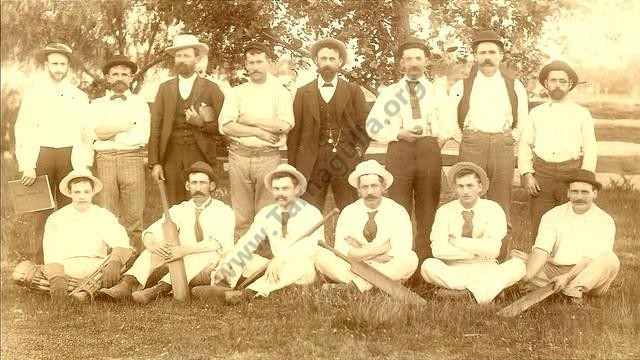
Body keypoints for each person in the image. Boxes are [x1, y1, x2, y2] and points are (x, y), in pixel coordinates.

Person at [365, 37, 456, 267]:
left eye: (418, 58)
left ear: (426, 62)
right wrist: (398, 133)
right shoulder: (390, 93)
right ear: (401, 64)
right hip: (399, 151)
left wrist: (432, 142)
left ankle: (425, 261)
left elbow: (449, 124)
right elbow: (373, 126)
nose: (413, 63)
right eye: (408, 59)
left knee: (428, 208)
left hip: (428, 151)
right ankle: (401, 261)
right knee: (399, 207)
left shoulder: (437, 92)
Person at [99, 161, 235, 304]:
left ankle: (157, 290)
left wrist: (184, 250)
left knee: (200, 256)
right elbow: (154, 229)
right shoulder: (181, 208)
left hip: (211, 262)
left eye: (203, 183)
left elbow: (218, 243)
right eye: (194, 183)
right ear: (187, 186)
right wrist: (151, 244)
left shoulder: (223, 211)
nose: (198, 188)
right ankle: (127, 284)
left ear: (211, 186)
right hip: (180, 254)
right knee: (153, 251)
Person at [449, 30, 529, 259]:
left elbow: (522, 121)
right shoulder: (461, 87)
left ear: (501, 56)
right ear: (475, 56)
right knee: (468, 199)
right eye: (482, 53)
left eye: (492, 52)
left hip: (503, 144)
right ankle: (466, 257)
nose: (487, 57)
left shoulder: (515, 87)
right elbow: (450, 120)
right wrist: (467, 138)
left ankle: (499, 259)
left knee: (500, 203)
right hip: (473, 144)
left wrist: (509, 139)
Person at [14, 42, 91, 263]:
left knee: (72, 211)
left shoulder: (78, 96)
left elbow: (86, 133)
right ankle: (40, 265)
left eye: (63, 64)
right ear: (46, 64)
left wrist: (83, 164)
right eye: (54, 63)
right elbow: (24, 128)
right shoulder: (34, 94)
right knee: (42, 215)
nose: (58, 68)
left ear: (69, 66)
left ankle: (71, 262)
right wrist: (28, 163)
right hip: (42, 156)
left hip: (70, 156)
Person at [205, 163, 324, 304]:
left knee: (300, 265)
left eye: (285, 188)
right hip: (274, 266)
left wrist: (282, 259)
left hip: (301, 269)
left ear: (297, 189)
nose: (280, 193)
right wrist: (228, 262)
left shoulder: (311, 213)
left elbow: (311, 248)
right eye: (276, 189)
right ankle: (223, 287)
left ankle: (248, 293)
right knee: (242, 254)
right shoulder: (268, 213)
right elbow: (249, 241)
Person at [17, 169, 133, 302]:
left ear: (92, 193)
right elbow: (52, 250)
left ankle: (83, 291)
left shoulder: (102, 214)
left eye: (86, 192)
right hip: (67, 267)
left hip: (95, 267)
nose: (82, 197)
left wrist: (115, 262)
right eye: (77, 192)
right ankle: (90, 290)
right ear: (70, 193)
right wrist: (57, 277)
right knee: (25, 273)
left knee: (123, 261)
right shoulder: (57, 218)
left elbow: (120, 239)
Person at [218, 42, 295, 238]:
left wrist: (250, 120)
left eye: (259, 62)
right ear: (245, 65)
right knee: (241, 213)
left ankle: (265, 255)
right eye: (250, 62)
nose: (255, 67)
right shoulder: (237, 92)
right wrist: (260, 133)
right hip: (239, 155)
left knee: (267, 210)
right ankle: (243, 258)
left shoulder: (280, 92)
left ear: (269, 63)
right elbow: (226, 126)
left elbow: (284, 125)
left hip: (268, 157)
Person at [421, 162, 525, 304]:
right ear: (455, 188)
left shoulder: (493, 209)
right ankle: (485, 292)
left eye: (470, 186)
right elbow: (438, 250)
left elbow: (493, 250)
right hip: (455, 268)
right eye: (461, 186)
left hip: (486, 267)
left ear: (480, 187)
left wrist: (456, 242)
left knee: (517, 266)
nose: (466, 191)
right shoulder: (445, 211)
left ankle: (464, 295)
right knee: (428, 266)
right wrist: (476, 251)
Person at [287, 38, 371, 212]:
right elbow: (295, 134)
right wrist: (294, 168)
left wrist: (357, 152)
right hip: (312, 161)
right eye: (323, 59)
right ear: (316, 61)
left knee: (350, 210)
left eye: (332, 59)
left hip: (345, 160)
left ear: (340, 62)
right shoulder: (303, 93)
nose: (327, 64)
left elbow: (365, 126)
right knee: (309, 211)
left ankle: (348, 240)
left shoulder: (353, 91)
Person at [512, 169, 619, 304]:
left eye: (585, 192)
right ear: (568, 193)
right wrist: (527, 277)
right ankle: (555, 289)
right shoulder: (553, 215)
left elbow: (589, 259)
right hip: (555, 270)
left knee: (611, 260)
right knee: (515, 257)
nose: (579, 197)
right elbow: (541, 250)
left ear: (594, 193)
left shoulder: (604, 220)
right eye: (575, 191)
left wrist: (567, 277)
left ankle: (571, 291)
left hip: (589, 275)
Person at [519, 60, 597, 241]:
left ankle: (567, 263)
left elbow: (590, 147)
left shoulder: (581, 113)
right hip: (543, 174)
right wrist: (527, 173)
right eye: (553, 80)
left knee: (571, 224)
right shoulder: (537, 113)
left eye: (562, 81)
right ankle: (540, 266)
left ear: (570, 84)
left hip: (571, 173)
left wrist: (585, 179)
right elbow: (525, 144)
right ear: (546, 83)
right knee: (541, 224)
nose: (557, 85)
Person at [315, 160, 418, 292]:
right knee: (322, 257)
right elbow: (342, 252)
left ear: (384, 187)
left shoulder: (398, 211)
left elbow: (401, 250)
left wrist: (360, 249)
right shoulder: (349, 211)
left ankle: (354, 286)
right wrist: (381, 249)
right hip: (355, 267)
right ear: (358, 189)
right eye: (365, 187)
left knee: (410, 259)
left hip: (386, 266)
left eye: (374, 186)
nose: (370, 192)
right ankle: (380, 285)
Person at [149, 34, 225, 205]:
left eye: (186, 56)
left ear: (196, 59)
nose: (182, 60)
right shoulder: (164, 88)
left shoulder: (211, 89)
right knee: (173, 203)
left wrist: (201, 124)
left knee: (199, 200)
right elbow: (156, 126)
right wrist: (155, 163)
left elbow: (223, 126)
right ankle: (175, 232)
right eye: (178, 56)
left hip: (200, 153)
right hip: (171, 155)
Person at [87, 55, 150, 253]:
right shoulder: (96, 105)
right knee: (107, 213)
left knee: (134, 215)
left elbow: (141, 136)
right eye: (115, 74)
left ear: (131, 78)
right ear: (107, 77)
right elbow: (95, 133)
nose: (120, 78)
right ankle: (108, 260)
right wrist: (124, 127)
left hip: (132, 158)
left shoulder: (140, 103)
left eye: (125, 74)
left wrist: (109, 133)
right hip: (104, 160)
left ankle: (134, 262)